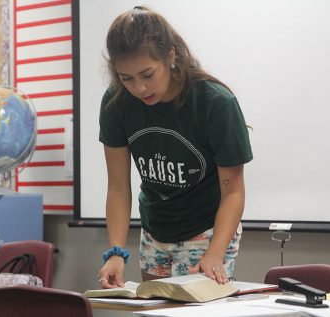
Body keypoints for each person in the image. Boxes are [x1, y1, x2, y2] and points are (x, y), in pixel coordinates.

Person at [97, 6, 253, 288]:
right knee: (154, 309)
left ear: (170, 54)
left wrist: (215, 253)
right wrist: (116, 252)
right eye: (126, 78)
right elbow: (118, 188)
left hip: (207, 229)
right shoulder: (116, 103)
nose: (139, 89)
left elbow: (233, 191)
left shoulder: (214, 102)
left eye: (147, 74)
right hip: (155, 230)